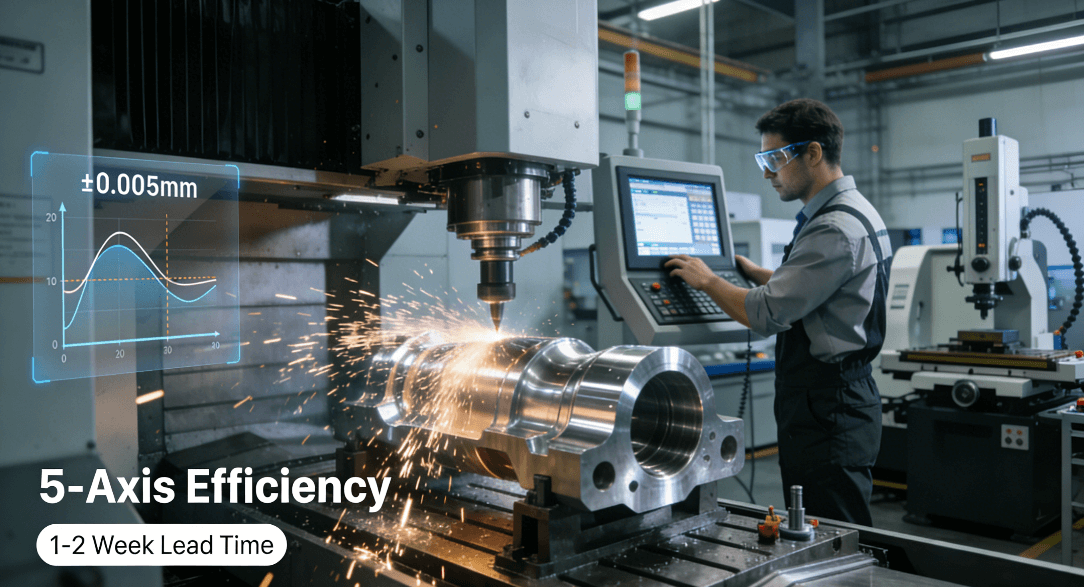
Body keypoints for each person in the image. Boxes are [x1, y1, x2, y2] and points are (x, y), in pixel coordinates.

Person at [664, 98, 891, 526]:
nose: (768, 173)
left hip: (826, 406)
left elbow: (765, 314)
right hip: (839, 398)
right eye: (762, 160)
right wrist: (760, 275)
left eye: (774, 158)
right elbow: (823, 288)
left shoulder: (831, 228)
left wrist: (707, 280)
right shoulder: (855, 211)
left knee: (830, 530)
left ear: (813, 153)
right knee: (832, 521)